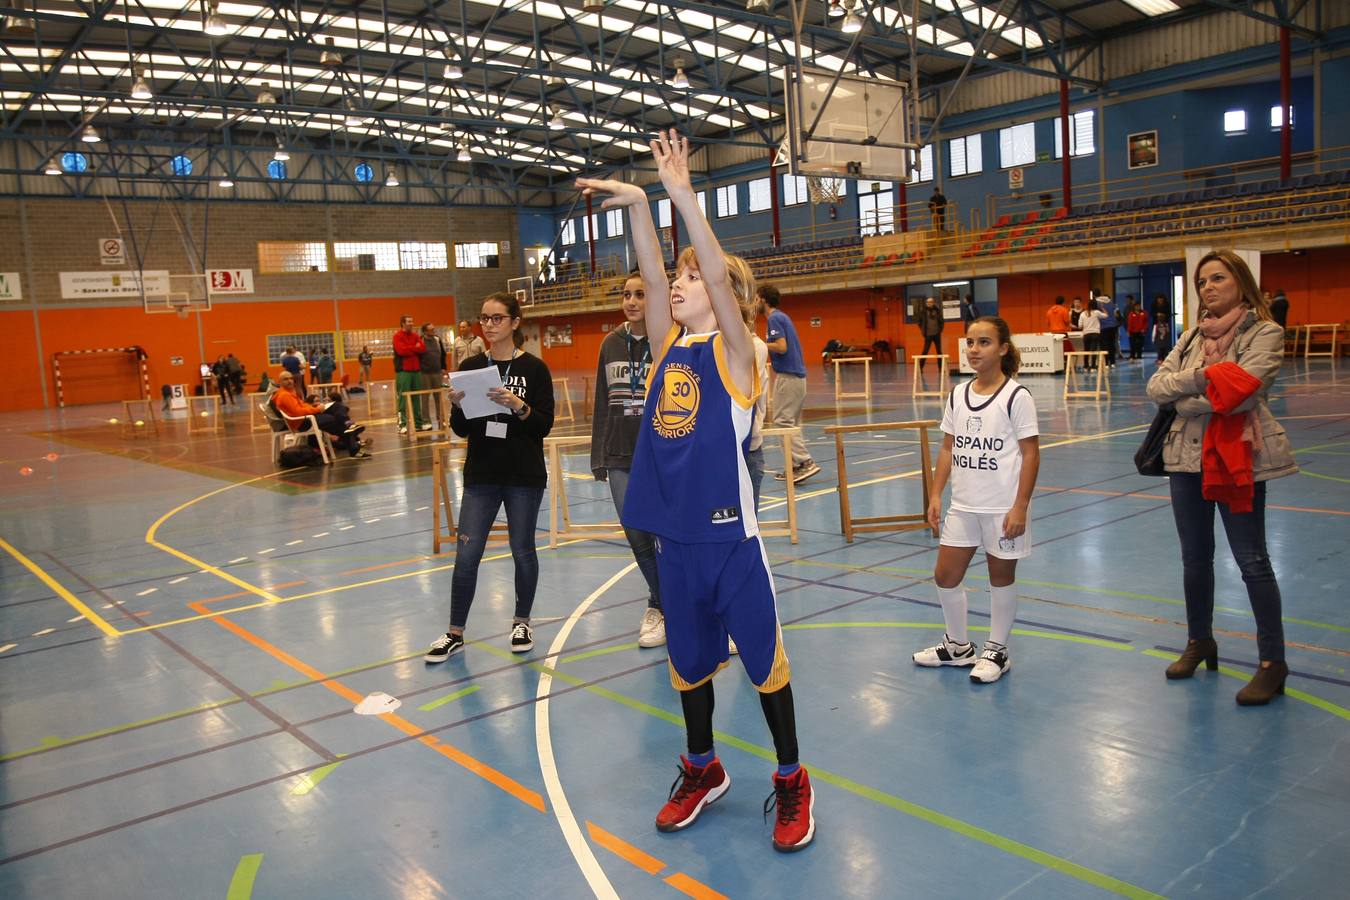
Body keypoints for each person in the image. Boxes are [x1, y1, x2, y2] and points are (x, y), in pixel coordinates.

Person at [577, 129, 816, 853]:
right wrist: (641, 204)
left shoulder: (738, 355)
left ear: (725, 298)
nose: (674, 285)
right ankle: (703, 769)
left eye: (690, 279)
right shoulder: (669, 349)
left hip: (731, 546)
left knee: (765, 666)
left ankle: (790, 777)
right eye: (673, 280)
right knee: (687, 670)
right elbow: (652, 275)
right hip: (675, 545)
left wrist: (683, 195)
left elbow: (710, 274)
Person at [1146, 249, 1297, 706]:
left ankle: (1272, 662)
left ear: (1240, 282)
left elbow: (1243, 393)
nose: (1208, 288)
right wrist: (1209, 375)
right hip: (1184, 461)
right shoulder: (1192, 336)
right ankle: (1200, 641)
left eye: (1217, 278)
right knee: (1195, 559)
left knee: (1252, 561)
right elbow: (1157, 388)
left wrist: (1189, 393)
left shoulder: (1265, 332)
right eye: (1202, 282)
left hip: (1239, 459)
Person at [425, 293, 555, 661]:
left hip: (523, 474)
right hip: (482, 474)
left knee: (522, 551)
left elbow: (543, 424)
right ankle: (454, 633)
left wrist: (518, 405)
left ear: (515, 322)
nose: (489, 324)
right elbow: (462, 430)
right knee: (466, 554)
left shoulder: (534, 369)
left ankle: (522, 621)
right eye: (484, 318)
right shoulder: (470, 366)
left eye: (497, 318)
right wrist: (457, 405)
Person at [913, 316, 1040, 684]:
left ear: (1002, 348)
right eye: (969, 342)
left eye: (984, 342)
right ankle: (957, 646)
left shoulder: (1017, 397)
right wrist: (936, 493)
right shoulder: (957, 394)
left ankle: (997, 650)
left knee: (1000, 578)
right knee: (945, 575)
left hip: (1002, 508)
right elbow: (948, 446)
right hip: (963, 505)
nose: (973, 350)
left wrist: (1020, 506)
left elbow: (1031, 454)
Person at [590, 271, 665, 648]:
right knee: (636, 537)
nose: (632, 301)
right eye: (626, 295)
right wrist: (597, 455)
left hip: (661, 456)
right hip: (620, 456)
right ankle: (666, 604)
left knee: (664, 537)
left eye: (640, 294)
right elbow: (603, 403)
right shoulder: (610, 343)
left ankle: (661, 604)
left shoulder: (670, 340)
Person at [760, 284, 819, 484]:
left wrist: (759, 345)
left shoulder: (775, 318)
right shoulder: (782, 317)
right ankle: (794, 466)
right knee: (791, 424)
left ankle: (805, 462)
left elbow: (781, 346)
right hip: (797, 378)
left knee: (783, 423)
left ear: (763, 299)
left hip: (789, 377)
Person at [270, 371, 370, 458]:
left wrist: (314, 407)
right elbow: (298, 412)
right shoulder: (284, 395)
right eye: (286, 379)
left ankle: (350, 430)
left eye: (291, 378)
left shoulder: (288, 392)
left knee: (336, 407)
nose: (290, 381)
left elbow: (302, 406)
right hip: (303, 422)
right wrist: (316, 409)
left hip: (305, 418)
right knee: (337, 419)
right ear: (280, 382)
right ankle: (351, 432)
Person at [393, 315, 427, 434]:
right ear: (403, 323)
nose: (411, 323)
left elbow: (422, 348)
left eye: (412, 321)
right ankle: (401, 424)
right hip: (403, 371)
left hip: (416, 370)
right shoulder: (397, 336)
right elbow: (401, 351)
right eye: (409, 321)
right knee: (402, 398)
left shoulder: (416, 336)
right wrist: (414, 348)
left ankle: (418, 423)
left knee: (416, 397)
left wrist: (410, 348)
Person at [419, 323, 448, 429]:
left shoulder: (437, 339)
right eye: (431, 330)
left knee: (439, 397)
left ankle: (441, 419)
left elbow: (443, 354)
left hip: (437, 372)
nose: (433, 331)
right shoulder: (420, 340)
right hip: (424, 373)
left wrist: (443, 367)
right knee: (425, 398)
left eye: (433, 329)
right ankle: (426, 421)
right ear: (425, 331)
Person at [917, 295, 945, 370]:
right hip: (928, 334)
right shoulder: (923, 311)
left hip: (937, 334)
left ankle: (941, 369)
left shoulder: (937, 310)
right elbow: (919, 322)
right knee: (925, 351)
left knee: (939, 351)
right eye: (928, 302)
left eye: (931, 302)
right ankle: (920, 368)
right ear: (926, 303)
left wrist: (940, 329)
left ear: (933, 303)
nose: (930, 303)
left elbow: (941, 321)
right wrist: (923, 330)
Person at [1078, 297, 1104, 370]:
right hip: (1095, 333)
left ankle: (1086, 366)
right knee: (1094, 350)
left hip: (1086, 334)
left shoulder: (1083, 313)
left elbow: (1080, 325)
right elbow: (1106, 316)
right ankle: (1093, 366)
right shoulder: (1096, 312)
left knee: (1086, 350)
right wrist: (1103, 309)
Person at [1097, 293, 1120, 367]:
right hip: (1112, 326)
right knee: (1112, 344)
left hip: (1103, 327)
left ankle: (1106, 363)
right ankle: (1112, 362)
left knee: (1104, 346)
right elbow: (1116, 314)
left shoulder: (1098, 303)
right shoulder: (1111, 303)